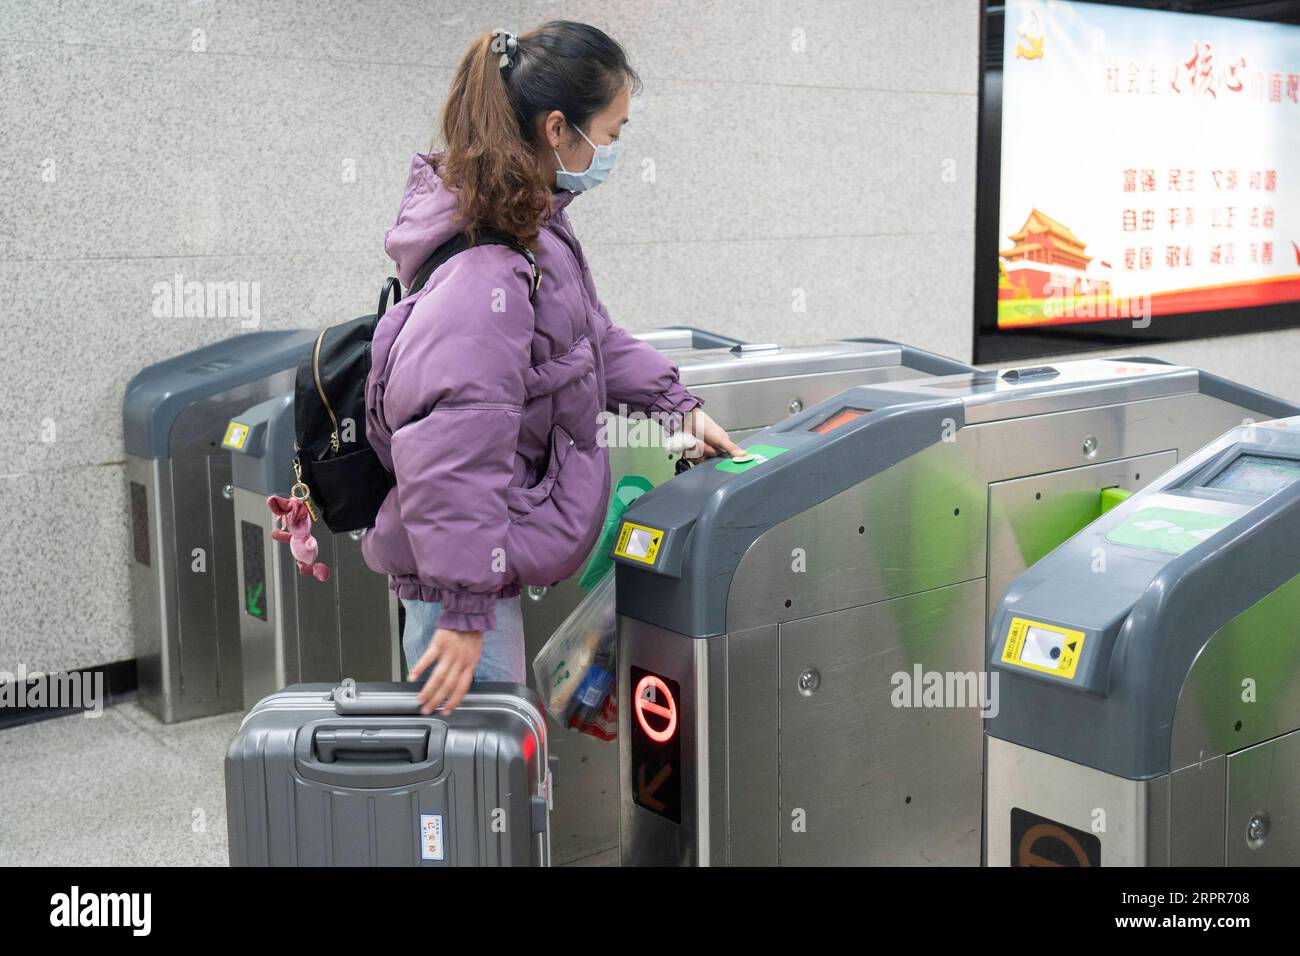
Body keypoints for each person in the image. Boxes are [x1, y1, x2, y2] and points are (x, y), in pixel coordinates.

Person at [361, 21, 743, 716]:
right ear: (559, 129)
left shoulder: (529, 228)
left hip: (474, 574)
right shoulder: (489, 269)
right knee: (476, 787)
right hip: (461, 589)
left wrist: (675, 406)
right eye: (614, 133)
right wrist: (464, 611)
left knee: (492, 772)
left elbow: (587, 340)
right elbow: (451, 446)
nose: (614, 151)